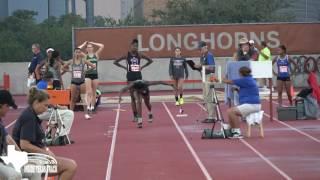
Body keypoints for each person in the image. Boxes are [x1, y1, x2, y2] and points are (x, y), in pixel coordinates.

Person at [12, 87, 77, 180]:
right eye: (45, 105)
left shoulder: (32, 115)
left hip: (32, 159)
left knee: (68, 165)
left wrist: (46, 150)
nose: (46, 109)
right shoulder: (29, 118)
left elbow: (35, 142)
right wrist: (46, 153)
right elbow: (24, 145)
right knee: (70, 166)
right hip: (27, 163)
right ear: (36, 102)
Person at [114, 39, 153, 121]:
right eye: (134, 46)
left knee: (139, 98)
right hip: (130, 78)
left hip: (138, 78)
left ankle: (139, 116)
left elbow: (150, 60)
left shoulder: (140, 54)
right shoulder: (127, 55)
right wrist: (125, 67)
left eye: (137, 46)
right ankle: (135, 116)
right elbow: (115, 62)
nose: (135, 47)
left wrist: (142, 67)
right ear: (131, 46)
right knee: (132, 98)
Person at [222, 67, 261, 138]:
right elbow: (246, 92)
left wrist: (222, 78)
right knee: (230, 111)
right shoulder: (250, 79)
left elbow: (228, 81)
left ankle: (237, 132)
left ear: (241, 73)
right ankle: (231, 129)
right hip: (252, 104)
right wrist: (237, 90)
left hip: (252, 104)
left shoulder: (245, 80)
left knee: (231, 112)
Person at [36, 71, 75, 144]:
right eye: (52, 79)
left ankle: (61, 136)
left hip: (41, 111)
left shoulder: (40, 84)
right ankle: (61, 137)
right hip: (43, 112)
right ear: (50, 79)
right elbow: (47, 101)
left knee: (60, 116)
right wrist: (60, 107)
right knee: (69, 114)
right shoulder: (46, 86)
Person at [63, 48, 96, 119]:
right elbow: (63, 67)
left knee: (83, 98)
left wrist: (85, 71)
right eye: (76, 52)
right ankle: (70, 114)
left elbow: (93, 66)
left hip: (81, 82)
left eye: (79, 52)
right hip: (74, 82)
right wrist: (69, 71)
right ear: (74, 53)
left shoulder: (83, 61)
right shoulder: (71, 61)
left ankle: (86, 114)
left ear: (80, 53)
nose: (77, 54)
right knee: (73, 98)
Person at [78, 41, 104, 112]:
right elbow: (78, 49)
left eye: (91, 47)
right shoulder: (85, 56)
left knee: (94, 91)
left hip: (95, 75)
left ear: (93, 48)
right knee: (88, 91)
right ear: (86, 49)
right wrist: (84, 44)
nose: (89, 48)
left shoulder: (96, 55)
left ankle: (92, 107)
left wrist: (93, 42)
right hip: (88, 74)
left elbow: (102, 46)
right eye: (88, 47)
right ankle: (88, 106)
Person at [194, 41, 217, 123]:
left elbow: (212, 67)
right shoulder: (202, 56)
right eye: (199, 50)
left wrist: (201, 66)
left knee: (209, 96)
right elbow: (203, 67)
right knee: (205, 96)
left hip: (209, 76)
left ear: (204, 47)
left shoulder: (209, 55)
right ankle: (209, 115)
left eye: (200, 49)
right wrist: (197, 67)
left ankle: (212, 116)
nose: (199, 51)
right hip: (204, 77)